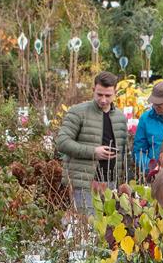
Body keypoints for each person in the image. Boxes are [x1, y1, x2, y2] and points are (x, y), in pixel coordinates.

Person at [54, 71, 129, 213]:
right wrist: (93, 152)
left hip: (111, 183)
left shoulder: (120, 117)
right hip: (84, 183)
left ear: (115, 93)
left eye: (108, 95)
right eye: (99, 94)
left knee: (108, 229)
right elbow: (62, 142)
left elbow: (124, 151)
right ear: (93, 90)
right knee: (88, 227)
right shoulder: (78, 112)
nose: (103, 100)